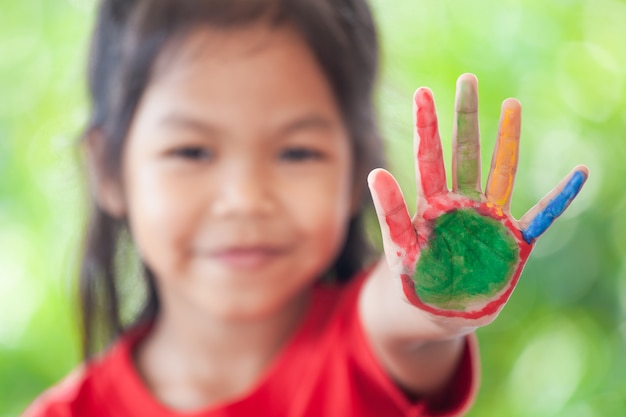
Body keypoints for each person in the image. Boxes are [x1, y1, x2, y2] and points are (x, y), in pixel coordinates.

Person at [22, 0, 589, 416]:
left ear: (354, 170)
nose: (246, 198)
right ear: (110, 170)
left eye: (297, 151)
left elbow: (399, 316)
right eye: (191, 150)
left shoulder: (371, 346)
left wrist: (442, 286)